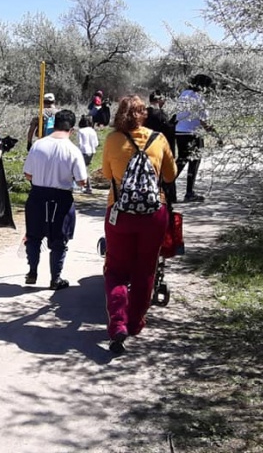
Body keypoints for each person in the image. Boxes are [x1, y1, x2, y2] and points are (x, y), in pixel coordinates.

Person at [101, 95, 177, 355]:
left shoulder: (113, 140)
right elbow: (170, 175)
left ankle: (118, 324)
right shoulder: (159, 139)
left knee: (115, 270)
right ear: (143, 114)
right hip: (153, 215)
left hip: (120, 212)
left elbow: (107, 174)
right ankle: (135, 323)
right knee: (145, 270)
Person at [22, 110, 88, 290]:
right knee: (59, 240)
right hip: (61, 198)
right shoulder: (73, 150)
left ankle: (32, 271)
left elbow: (28, 174)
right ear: (71, 129)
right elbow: (82, 181)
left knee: (33, 236)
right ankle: (55, 279)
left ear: (54, 125)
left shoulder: (38, 145)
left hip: (37, 195)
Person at [174, 74, 220, 202]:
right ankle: (189, 193)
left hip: (179, 131)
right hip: (192, 133)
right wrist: (217, 136)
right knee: (194, 162)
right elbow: (205, 123)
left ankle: (165, 186)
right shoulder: (199, 99)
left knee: (181, 161)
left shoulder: (184, 94)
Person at [145, 90, 178, 205]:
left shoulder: (144, 114)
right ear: (158, 100)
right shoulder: (160, 115)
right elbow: (168, 132)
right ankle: (169, 196)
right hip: (160, 148)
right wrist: (173, 124)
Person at [77, 114, 99, 194]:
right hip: (91, 151)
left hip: (83, 151)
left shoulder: (81, 131)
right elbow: (96, 143)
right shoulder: (92, 131)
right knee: (85, 168)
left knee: (82, 169)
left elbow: (80, 143)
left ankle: (85, 186)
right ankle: (86, 186)